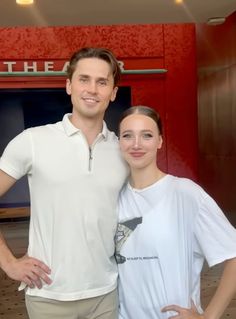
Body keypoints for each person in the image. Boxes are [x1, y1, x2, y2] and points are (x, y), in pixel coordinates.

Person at [0, 47, 128, 319]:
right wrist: (9, 263)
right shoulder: (33, 141)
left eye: (102, 82)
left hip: (107, 292)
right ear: (69, 85)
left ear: (113, 92)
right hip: (48, 295)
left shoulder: (123, 151)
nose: (92, 89)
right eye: (84, 79)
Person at [115, 105, 236, 319]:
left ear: (160, 141)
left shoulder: (185, 193)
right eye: (127, 135)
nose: (136, 144)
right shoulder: (115, 196)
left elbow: (233, 256)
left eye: (147, 135)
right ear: (119, 142)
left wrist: (208, 317)